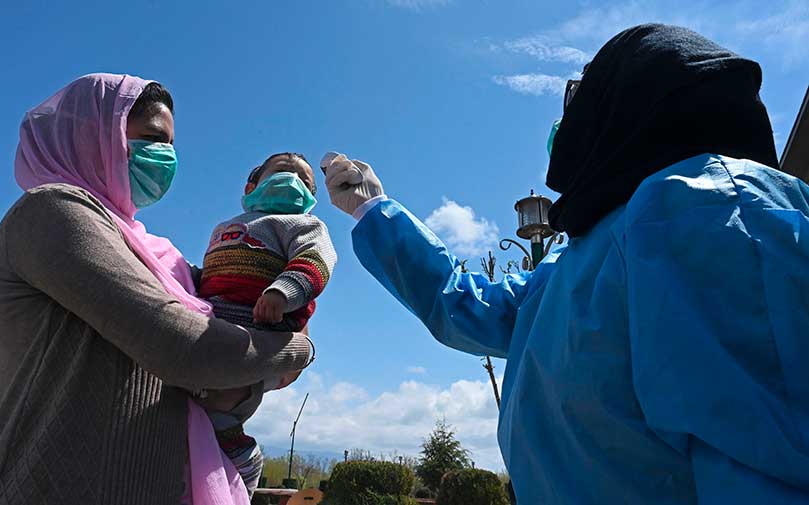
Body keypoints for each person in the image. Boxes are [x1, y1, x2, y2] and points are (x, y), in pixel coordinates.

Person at [323, 24, 809, 504]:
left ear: (636, 97)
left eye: (584, 89)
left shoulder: (712, 207)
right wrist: (373, 208)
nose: (570, 115)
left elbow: (770, 463)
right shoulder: (573, 257)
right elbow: (462, 303)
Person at [0, 73, 313, 505]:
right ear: (92, 134)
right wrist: (297, 349)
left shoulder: (157, 254)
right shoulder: (52, 212)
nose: (165, 156)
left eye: (169, 144)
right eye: (152, 139)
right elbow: (186, 350)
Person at [197, 152, 336, 493]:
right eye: (282, 172)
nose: (292, 181)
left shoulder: (305, 225)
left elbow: (315, 261)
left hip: (262, 330)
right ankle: (224, 459)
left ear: (312, 198)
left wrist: (282, 293)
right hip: (211, 327)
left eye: (303, 180)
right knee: (200, 413)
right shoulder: (224, 228)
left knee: (223, 398)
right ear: (251, 186)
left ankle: (244, 464)